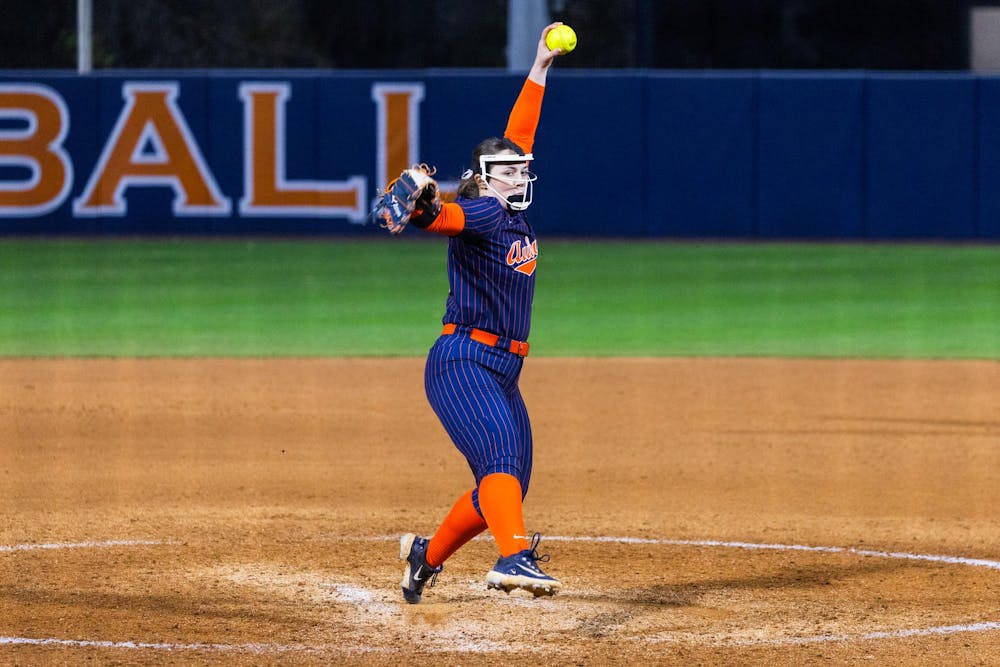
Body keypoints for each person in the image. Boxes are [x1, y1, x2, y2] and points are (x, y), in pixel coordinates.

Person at [394, 23, 568, 604]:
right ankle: (514, 557)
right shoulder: (486, 211)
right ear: (485, 178)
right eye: (508, 171)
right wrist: (424, 207)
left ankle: (424, 558)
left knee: (508, 480)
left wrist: (539, 67)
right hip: (464, 361)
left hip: (502, 369)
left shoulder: (509, 211)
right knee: (500, 460)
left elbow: (519, 136)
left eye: (522, 170)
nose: (519, 175)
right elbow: (447, 219)